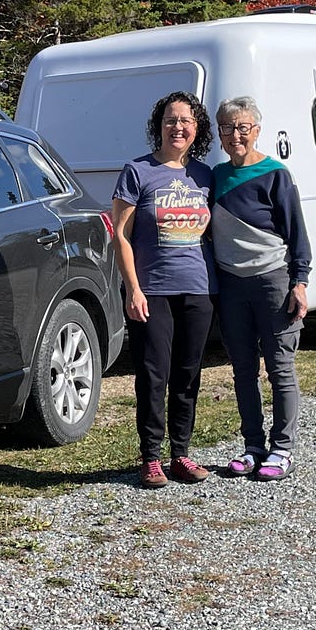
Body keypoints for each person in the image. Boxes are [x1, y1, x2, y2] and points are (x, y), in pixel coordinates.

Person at [111, 91, 217, 488]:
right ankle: (151, 457)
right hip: (152, 290)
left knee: (188, 375)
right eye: (170, 120)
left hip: (199, 288)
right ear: (159, 126)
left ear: (197, 128)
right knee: (153, 375)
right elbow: (120, 235)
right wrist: (132, 289)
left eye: (186, 120)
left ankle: (181, 455)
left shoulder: (205, 175)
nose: (178, 127)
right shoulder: (137, 172)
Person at [211, 96, 311, 482]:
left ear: (256, 130)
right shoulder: (216, 177)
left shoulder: (276, 175)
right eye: (227, 127)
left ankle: (282, 449)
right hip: (231, 286)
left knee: (280, 368)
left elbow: (297, 232)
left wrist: (299, 282)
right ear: (219, 132)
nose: (235, 135)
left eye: (243, 127)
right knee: (243, 370)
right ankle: (253, 446)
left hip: (273, 282)